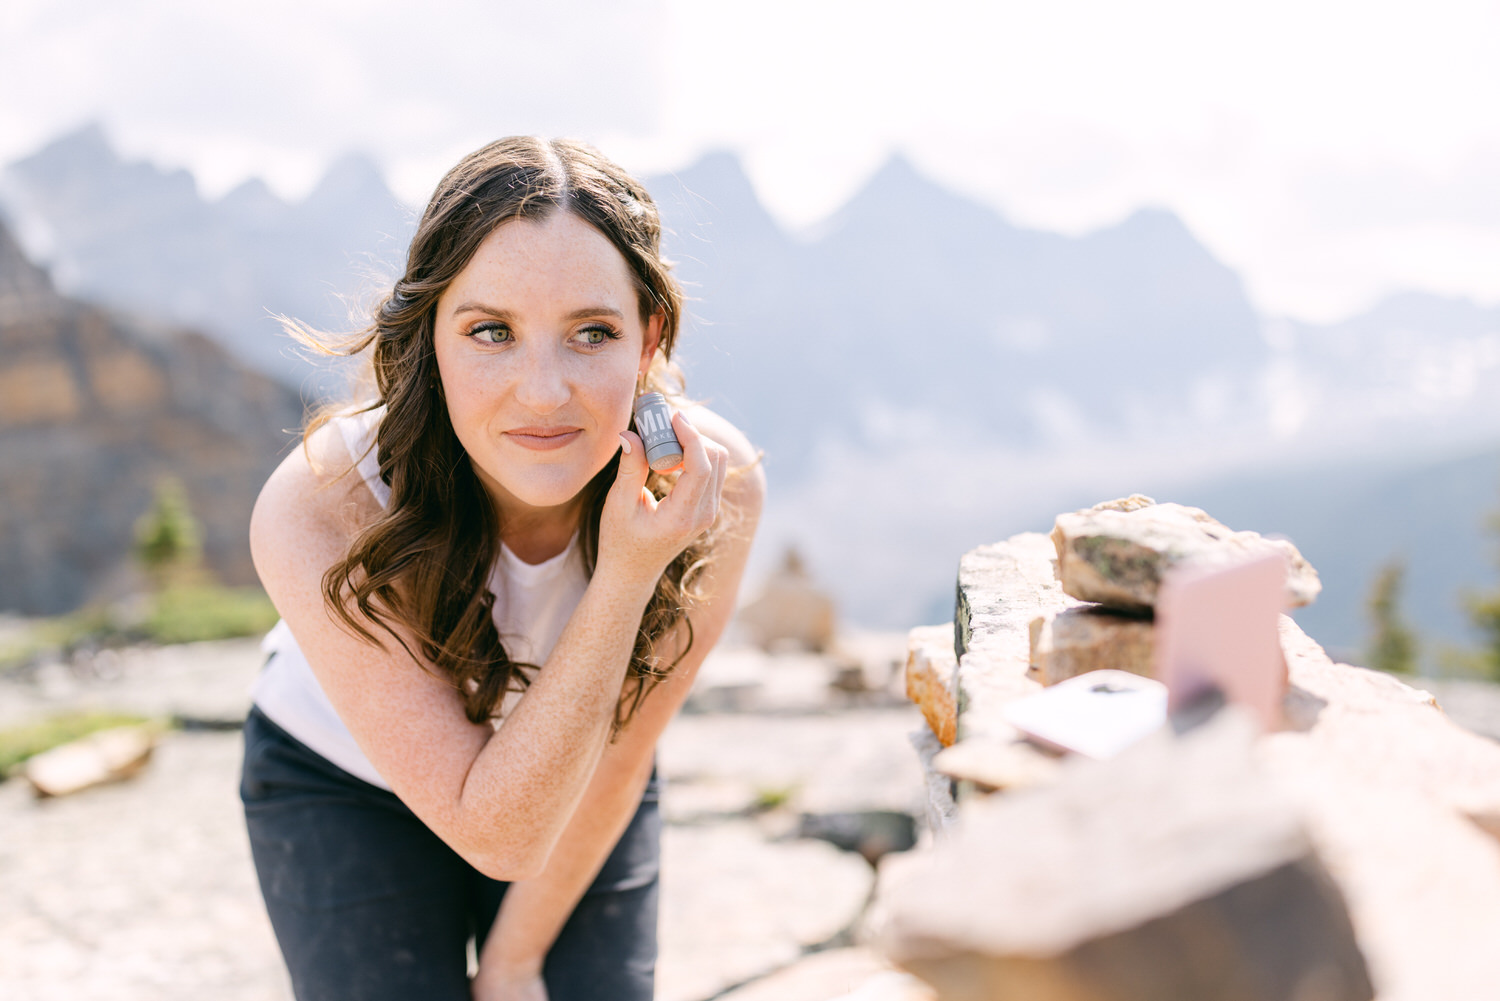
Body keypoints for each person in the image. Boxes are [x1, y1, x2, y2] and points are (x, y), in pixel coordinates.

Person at [241, 136, 764, 1001]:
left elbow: (621, 751)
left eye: (592, 333)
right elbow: (498, 833)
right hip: (343, 784)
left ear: (648, 339)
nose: (545, 390)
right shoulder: (319, 503)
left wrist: (518, 963)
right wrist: (626, 576)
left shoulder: (716, 491)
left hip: (579, 774)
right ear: (431, 335)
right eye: (492, 332)